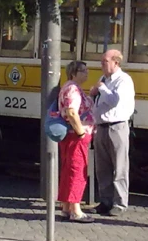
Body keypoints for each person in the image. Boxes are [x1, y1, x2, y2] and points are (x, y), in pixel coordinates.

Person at [90, 49, 135, 216]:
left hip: (117, 127)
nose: (102, 65)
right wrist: (95, 92)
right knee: (102, 168)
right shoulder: (104, 79)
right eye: (102, 61)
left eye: (105, 61)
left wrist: (102, 89)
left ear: (116, 62)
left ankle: (120, 203)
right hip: (101, 127)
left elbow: (114, 101)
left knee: (119, 167)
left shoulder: (123, 80)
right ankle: (105, 201)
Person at [57, 61, 95, 223]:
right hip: (76, 136)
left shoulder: (70, 87)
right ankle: (76, 210)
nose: (86, 73)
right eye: (83, 70)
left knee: (68, 170)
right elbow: (72, 112)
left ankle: (66, 207)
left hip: (70, 136)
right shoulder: (73, 89)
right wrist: (80, 132)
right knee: (77, 171)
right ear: (73, 73)